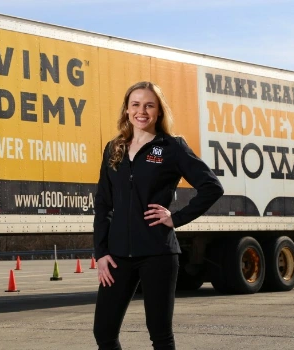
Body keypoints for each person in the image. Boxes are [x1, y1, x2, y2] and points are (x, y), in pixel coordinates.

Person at [93, 81, 224, 349]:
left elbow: (211, 187)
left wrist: (176, 218)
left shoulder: (171, 147)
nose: (142, 111)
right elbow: (103, 204)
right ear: (127, 110)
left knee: (160, 335)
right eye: (136, 105)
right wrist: (101, 252)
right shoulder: (114, 148)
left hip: (158, 253)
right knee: (104, 333)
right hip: (117, 256)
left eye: (149, 105)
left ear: (159, 112)